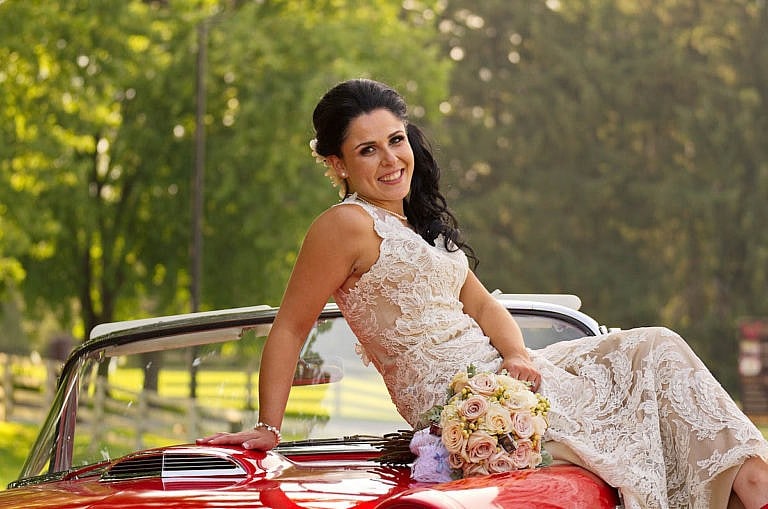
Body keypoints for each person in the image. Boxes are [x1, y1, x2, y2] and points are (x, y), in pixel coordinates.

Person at [199, 78, 768, 508]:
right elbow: (292, 327)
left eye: (396, 140)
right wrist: (270, 428)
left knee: (656, 348)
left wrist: (518, 354)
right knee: (637, 416)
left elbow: (483, 305)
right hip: (459, 396)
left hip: (502, 369)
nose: (391, 158)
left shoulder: (418, 229)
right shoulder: (342, 227)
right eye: (368, 149)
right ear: (336, 163)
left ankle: (755, 485)